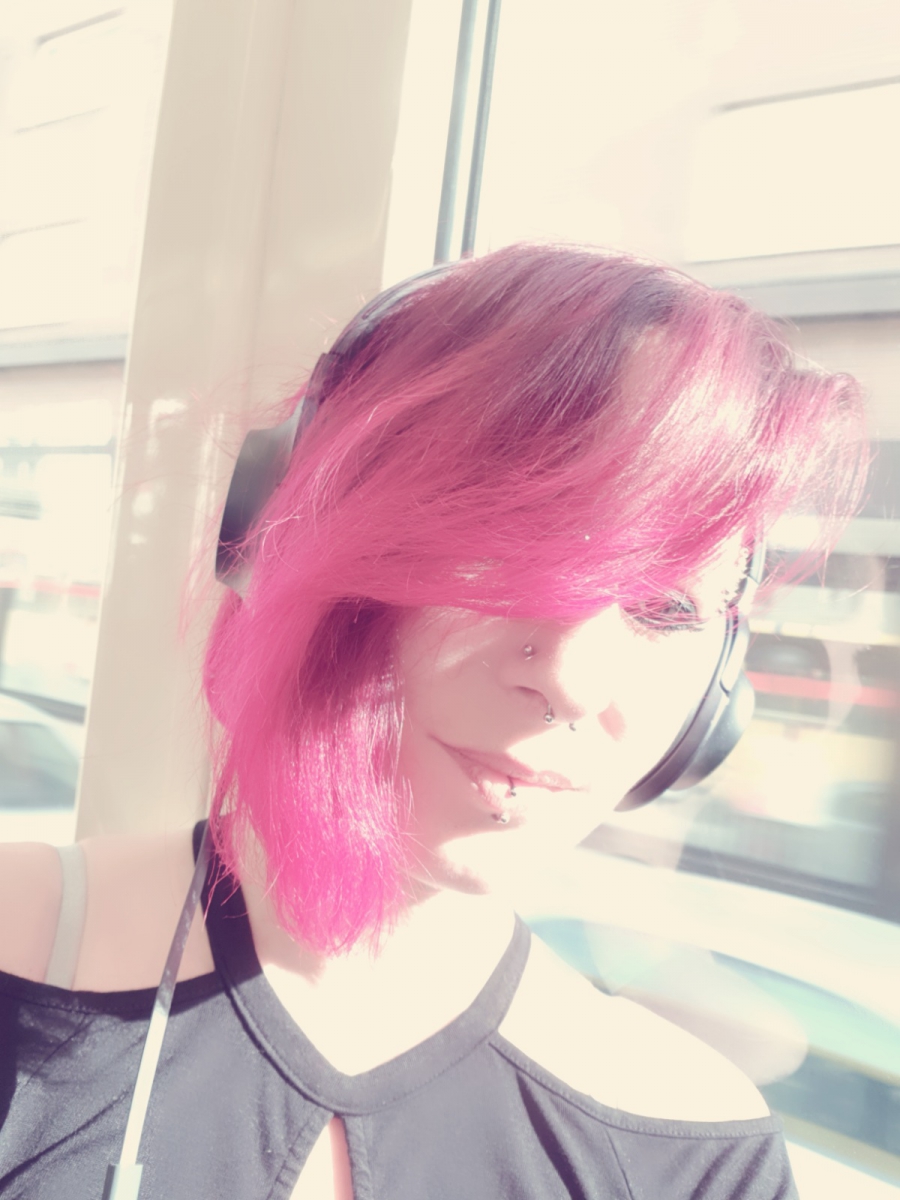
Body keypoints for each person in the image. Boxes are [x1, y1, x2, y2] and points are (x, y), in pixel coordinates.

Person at [0, 244, 865, 1199]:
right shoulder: (16, 941)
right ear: (295, 532)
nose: (572, 680)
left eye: (666, 607)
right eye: (511, 552)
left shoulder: (696, 1157)